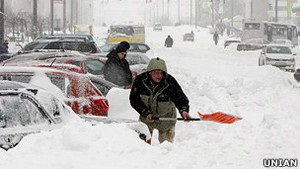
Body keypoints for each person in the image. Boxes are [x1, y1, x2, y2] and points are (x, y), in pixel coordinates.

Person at [129, 57, 191, 144]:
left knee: (166, 148)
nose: (159, 76)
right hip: (146, 119)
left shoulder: (170, 82)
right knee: (142, 145)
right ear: (150, 72)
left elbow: (181, 98)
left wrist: (183, 110)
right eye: (156, 73)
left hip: (167, 120)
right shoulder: (140, 81)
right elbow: (134, 99)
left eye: (161, 73)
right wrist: (145, 112)